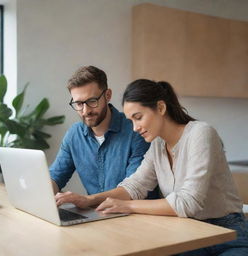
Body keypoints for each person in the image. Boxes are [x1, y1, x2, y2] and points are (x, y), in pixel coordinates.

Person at [56, 79, 248, 255]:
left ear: (161, 107)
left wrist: (127, 205)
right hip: (187, 233)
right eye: (131, 121)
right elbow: (134, 186)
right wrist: (88, 200)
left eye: (138, 117)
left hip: (227, 233)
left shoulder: (201, 133)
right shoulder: (157, 145)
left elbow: (187, 203)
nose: (135, 128)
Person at [49, 66, 152, 198]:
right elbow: (56, 176)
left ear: (107, 95)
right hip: (98, 215)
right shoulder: (74, 135)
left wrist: (87, 200)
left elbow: (133, 190)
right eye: (79, 104)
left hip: (135, 215)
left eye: (92, 101)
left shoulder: (136, 130)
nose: (85, 111)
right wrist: (44, 192)